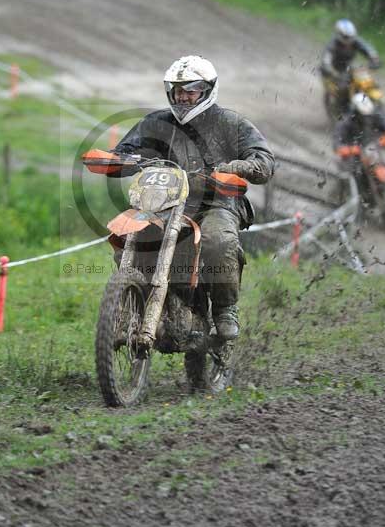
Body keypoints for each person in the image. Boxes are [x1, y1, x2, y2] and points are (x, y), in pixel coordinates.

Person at [112, 55, 275, 343]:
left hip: (216, 203)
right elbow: (123, 151)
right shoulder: (155, 122)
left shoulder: (230, 123)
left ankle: (225, 308)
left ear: (207, 90)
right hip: (162, 202)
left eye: (190, 90)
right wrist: (116, 161)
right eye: (177, 90)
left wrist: (238, 166)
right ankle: (134, 296)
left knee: (218, 241)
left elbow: (263, 160)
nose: (183, 97)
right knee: (126, 233)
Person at [320, 20, 380, 116]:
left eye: (351, 36)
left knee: (368, 83)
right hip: (332, 70)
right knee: (342, 88)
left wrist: (374, 59)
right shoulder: (332, 45)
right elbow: (326, 59)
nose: (349, 39)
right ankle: (339, 113)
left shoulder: (356, 41)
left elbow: (368, 49)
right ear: (339, 34)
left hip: (348, 69)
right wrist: (330, 70)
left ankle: (372, 107)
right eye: (346, 37)